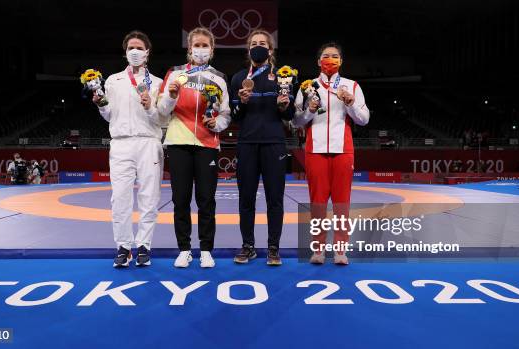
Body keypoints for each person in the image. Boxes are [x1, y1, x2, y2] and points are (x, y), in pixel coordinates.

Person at [157, 27, 231, 268]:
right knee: (180, 199)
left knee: (206, 200)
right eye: (196, 45)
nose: (200, 49)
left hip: (207, 143)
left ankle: (206, 249)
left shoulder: (219, 77)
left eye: (204, 45)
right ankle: (185, 249)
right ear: (189, 49)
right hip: (179, 141)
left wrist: (217, 123)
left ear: (212, 50)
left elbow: (226, 113)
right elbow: (162, 111)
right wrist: (170, 95)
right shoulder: (174, 74)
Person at [95, 30, 166, 268]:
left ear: (147, 52)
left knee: (149, 197)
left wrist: (149, 108)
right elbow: (109, 116)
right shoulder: (112, 80)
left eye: (139, 47)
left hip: (148, 142)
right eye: (130, 48)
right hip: (121, 143)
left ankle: (144, 245)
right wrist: (101, 105)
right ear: (126, 52)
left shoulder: (157, 83)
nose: (134, 52)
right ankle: (123, 247)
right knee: (120, 198)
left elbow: (162, 119)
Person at [293, 42, 369, 265]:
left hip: (343, 150)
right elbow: (296, 120)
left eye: (335, 56)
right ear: (318, 61)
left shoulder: (351, 86)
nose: (330, 59)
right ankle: (318, 249)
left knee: (342, 203)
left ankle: (340, 250)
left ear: (341, 61)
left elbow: (363, 120)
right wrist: (310, 110)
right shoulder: (307, 86)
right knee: (317, 203)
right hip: (315, 149)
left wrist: (352, 105)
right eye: (326, 56)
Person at [229, 29, 295, 266]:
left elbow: (290, 114)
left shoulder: (283, 77)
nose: (258, 46)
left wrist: (283, 105)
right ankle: (248, 246)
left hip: (274, 143)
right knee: (246, 199)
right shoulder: (238, 78)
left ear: (270, 49)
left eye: (262, 43)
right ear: (249, 49)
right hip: (247, 143)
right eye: (253, 43)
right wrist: (243, 103)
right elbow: (235, 116)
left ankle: (273, 247)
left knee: (274, 199)